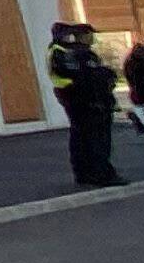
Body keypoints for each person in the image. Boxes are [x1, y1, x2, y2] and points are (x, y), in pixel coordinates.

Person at [49, 23, 123, 188]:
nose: (92, 37)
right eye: (89, 34)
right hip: (85, 101)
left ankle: (85, 172)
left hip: (76, 99)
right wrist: (105, 77)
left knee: (82, 138)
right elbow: (87, 78)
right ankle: (100, 173)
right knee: (96, 139)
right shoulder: (77, 54)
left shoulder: (65, 51)